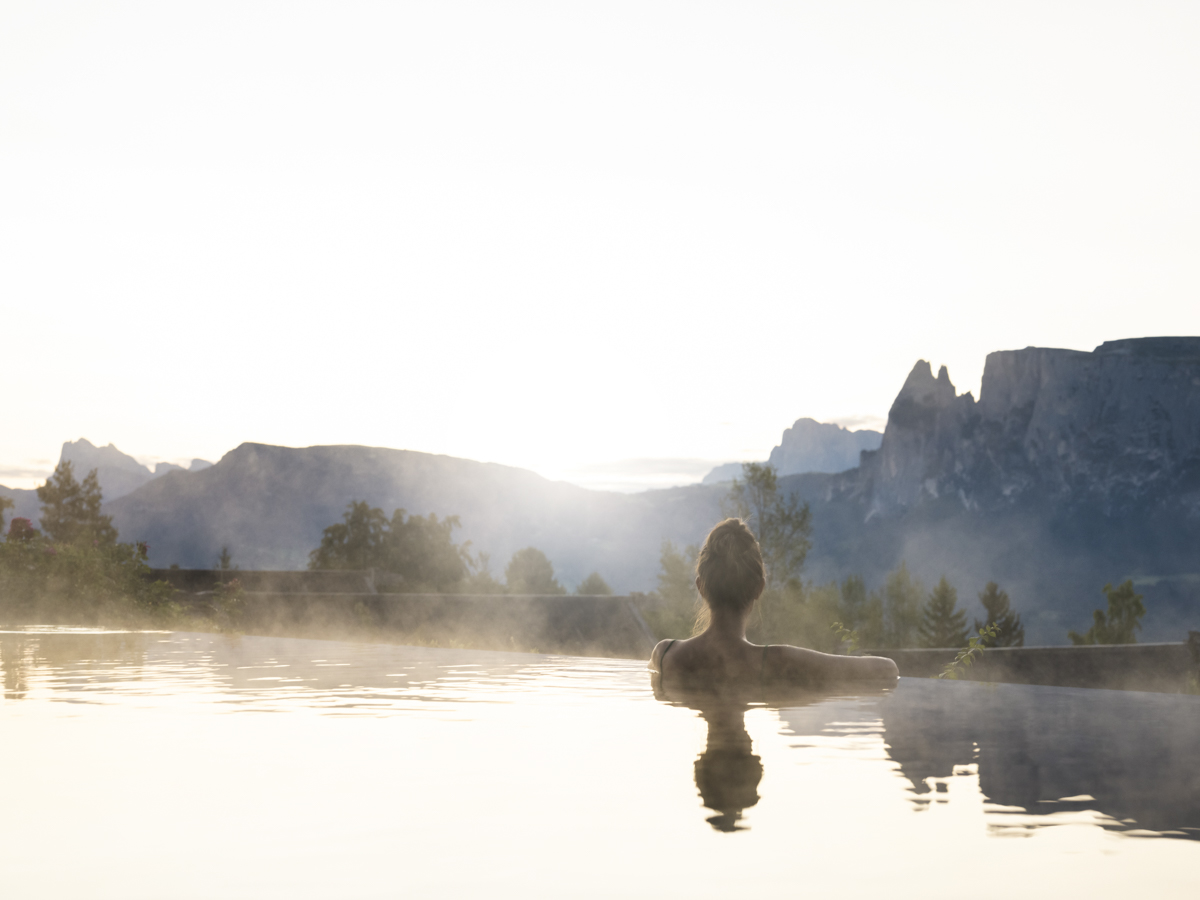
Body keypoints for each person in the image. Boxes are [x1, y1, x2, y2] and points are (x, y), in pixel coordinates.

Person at [649, 518, 898, 689]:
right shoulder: (776, 662)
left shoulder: (665, 656)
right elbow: (887, 670)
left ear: (701, 587)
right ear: (759, 588)